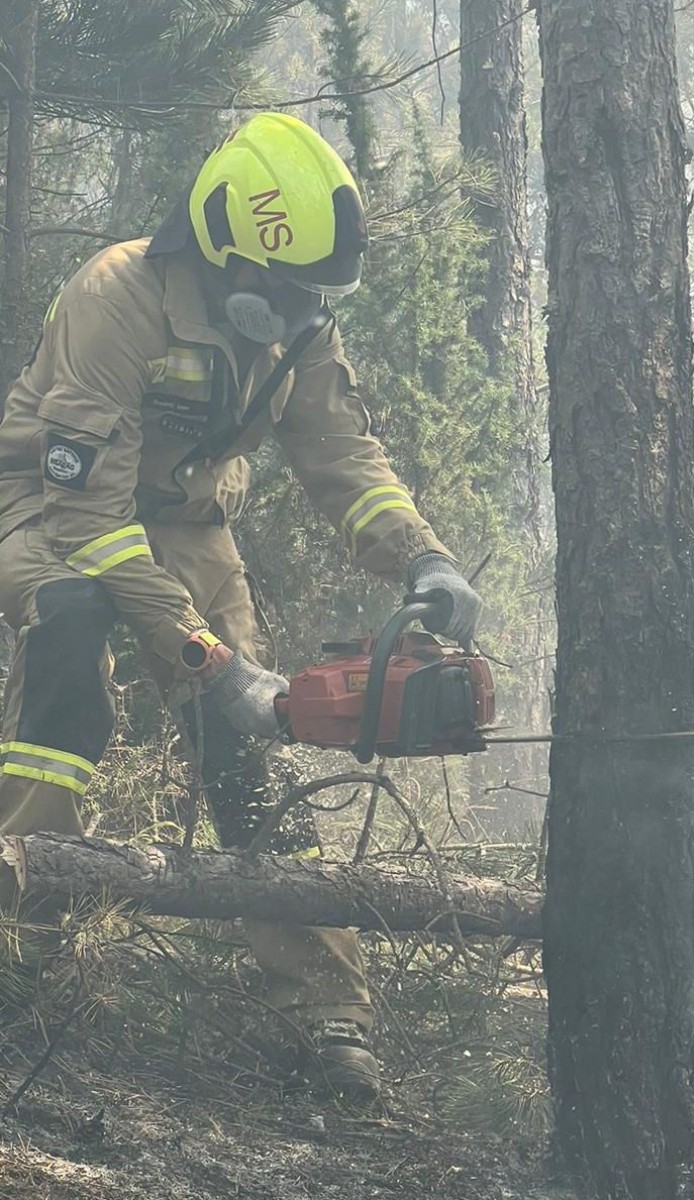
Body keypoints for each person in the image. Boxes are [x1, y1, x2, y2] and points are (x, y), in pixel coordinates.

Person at [0, 112, 482, 1102]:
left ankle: (326, 1010)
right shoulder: (118, 294)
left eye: (321, 297)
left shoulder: (298, 324)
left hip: (185, 519)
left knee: (251, 758)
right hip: (56, 509)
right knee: (70, 667)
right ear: (229, 249)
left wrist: (424, 559)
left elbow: (341, 454)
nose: (308, 311)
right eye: (294, 290)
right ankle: (16, 933)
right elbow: (90, 519)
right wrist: (214, 662)